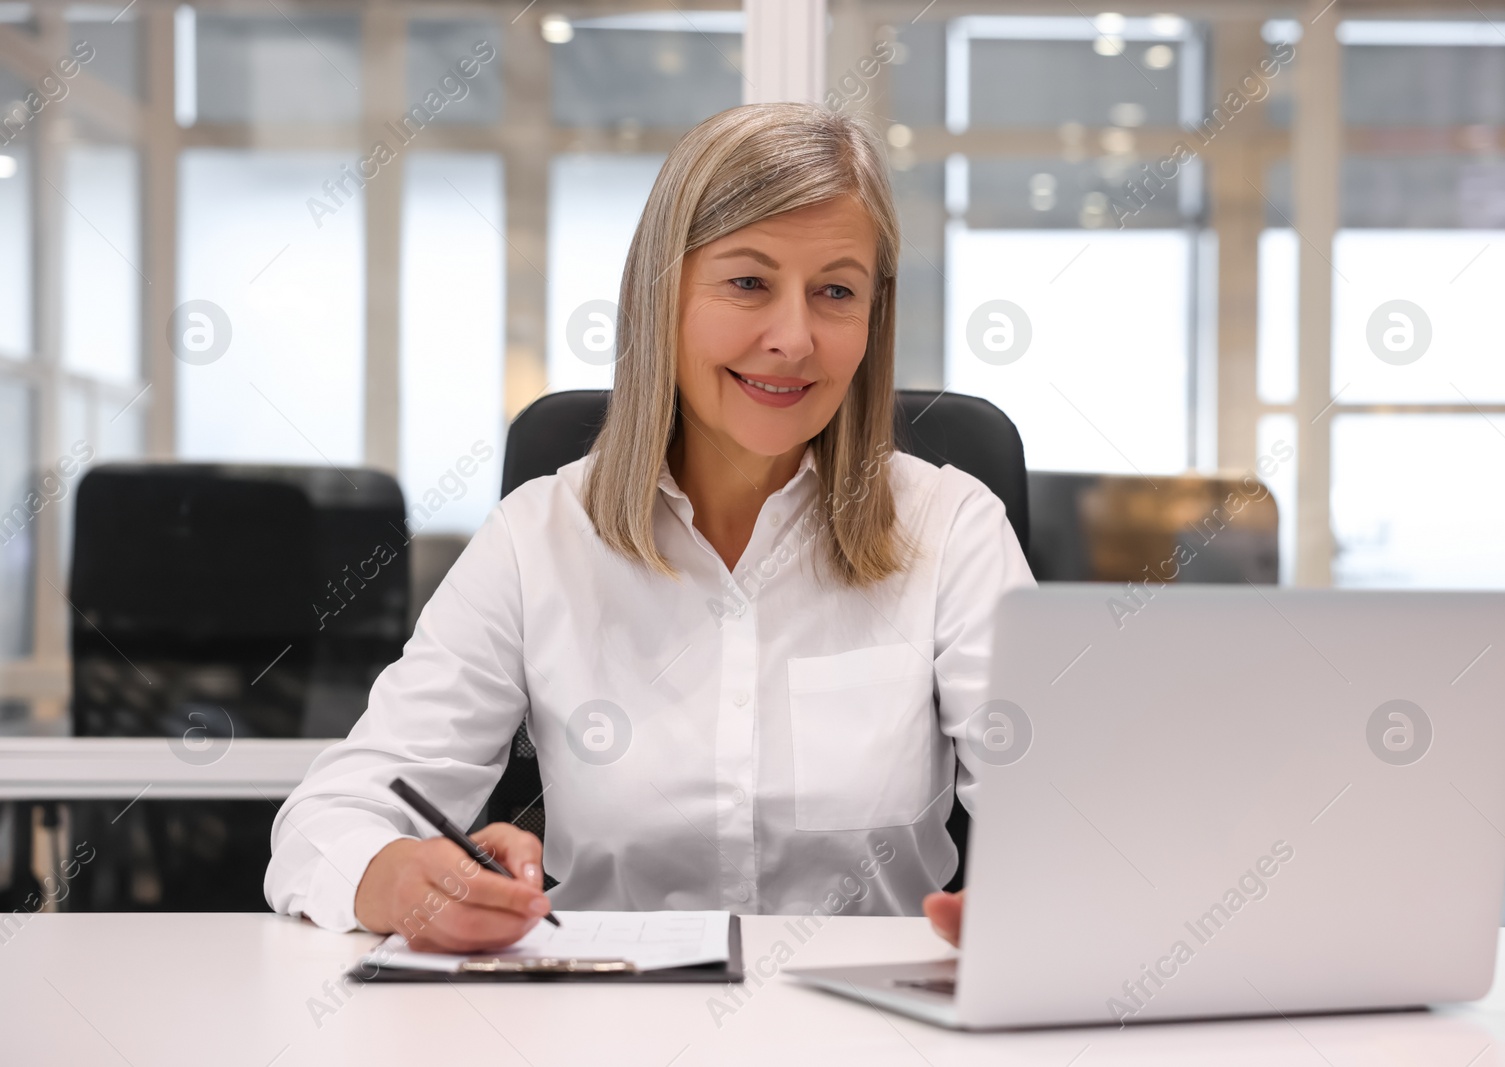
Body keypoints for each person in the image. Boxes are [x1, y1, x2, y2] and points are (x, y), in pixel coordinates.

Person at [264, 101, 1033, 953]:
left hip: (870, 1030)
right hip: (602, 1019)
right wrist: (398, 876)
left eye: (835, 292)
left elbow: (1069, 805)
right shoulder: (539, 538)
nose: (793, 337)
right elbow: (332, 815)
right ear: (659, 295)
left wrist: (1048, 895)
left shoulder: (952, 530)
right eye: (748, 282)